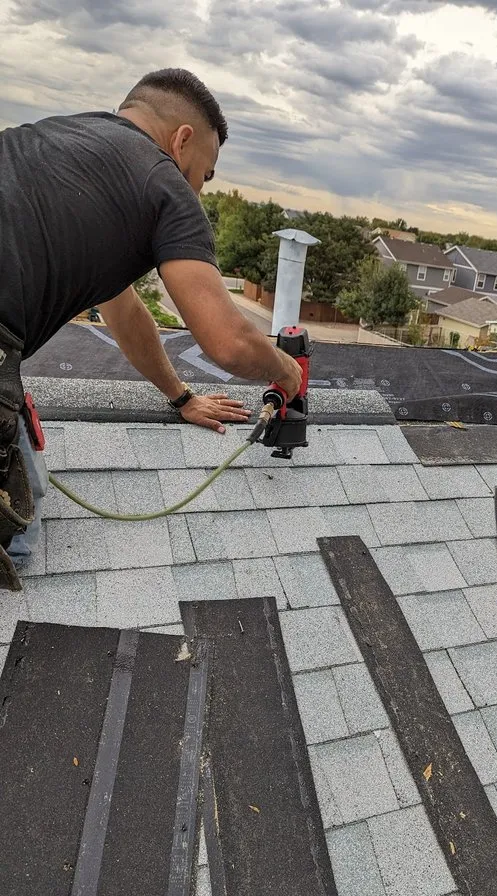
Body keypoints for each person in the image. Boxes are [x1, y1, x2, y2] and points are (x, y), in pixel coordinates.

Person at [0, 67, 302, 589]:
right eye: (204, 175)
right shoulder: (161, 180)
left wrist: (180, 397)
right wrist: (288, 372)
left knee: (32, 487)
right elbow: (229, 341)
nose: (199, 193)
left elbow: (122, 308)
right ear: (182, 140)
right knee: (18, 540)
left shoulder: (50, 137)